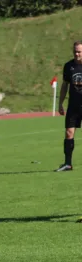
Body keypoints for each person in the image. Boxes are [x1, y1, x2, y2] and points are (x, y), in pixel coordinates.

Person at [56, 41, 82, 172]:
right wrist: (60, 103)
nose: (77, 54)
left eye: (79, 51)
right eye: (75, 51)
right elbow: (64, 85)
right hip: (73, 105)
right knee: (69, 133)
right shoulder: (68, 66)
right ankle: (68, 164)